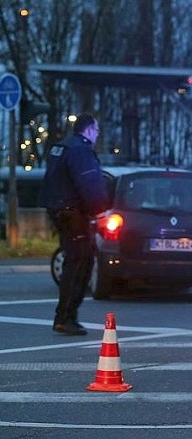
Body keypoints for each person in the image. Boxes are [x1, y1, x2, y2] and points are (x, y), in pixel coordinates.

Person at [40, 114, 109, 335]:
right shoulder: (81, 150)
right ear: (88, 130)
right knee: (80, 261)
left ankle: (67, 316)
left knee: (77, 259)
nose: (97, 135)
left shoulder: (60, 148)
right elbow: (90, 183)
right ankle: (65, 317)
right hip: (74, 214)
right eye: (96, 131)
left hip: (61, 212)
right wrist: (101, 212)